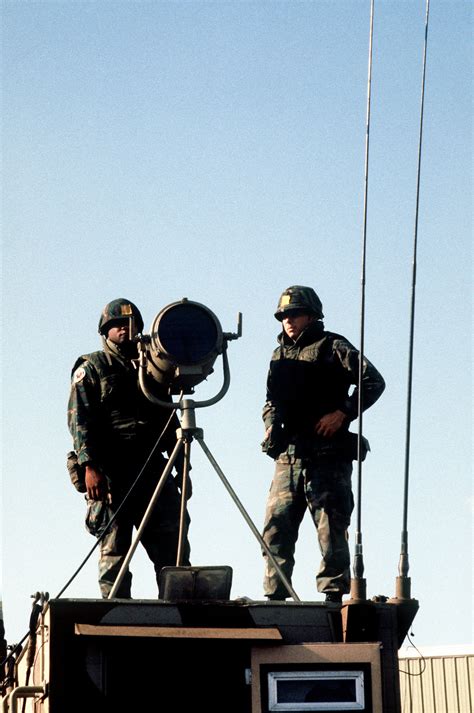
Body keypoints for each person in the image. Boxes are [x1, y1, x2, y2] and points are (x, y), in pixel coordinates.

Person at [261, 286, 385, 602]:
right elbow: (270, 401)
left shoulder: (333, 346)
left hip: (327, 455)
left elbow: (373, 380)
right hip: (289, 456)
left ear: (312, 315)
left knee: (331, 528)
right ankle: (276, 595)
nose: (288, 321)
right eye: (284, 316)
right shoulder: (279, 354)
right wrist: (270, 426)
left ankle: (332, 595)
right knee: (275, 530)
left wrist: (342, 413)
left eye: (295, 314)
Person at [67, 298, 191, 598]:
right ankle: (116, 614)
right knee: (115, 551)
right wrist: (90, 466)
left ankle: (182, 613)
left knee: (172, 549)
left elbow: (169, 416)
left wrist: (182, 467)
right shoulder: (93, 366)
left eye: (130, 324)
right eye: (117, 325)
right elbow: (79, 418)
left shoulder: (152, 368)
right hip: (112, 472)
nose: (125, 329)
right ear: (105, 331)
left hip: (152, 470)